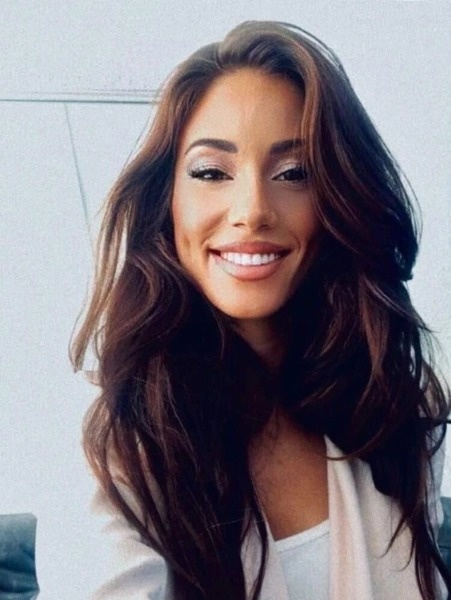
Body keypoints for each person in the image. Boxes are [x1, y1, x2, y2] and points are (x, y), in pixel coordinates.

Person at [70, 20, 451, 599]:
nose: (252, 209)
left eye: (293, 173)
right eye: (211, 173)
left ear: (340, 198)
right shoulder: (115, 442)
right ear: (165, 201)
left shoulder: (396, 406)